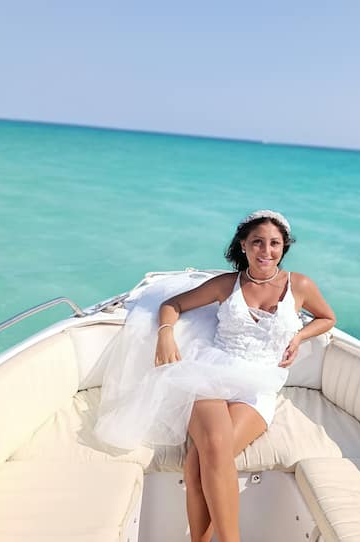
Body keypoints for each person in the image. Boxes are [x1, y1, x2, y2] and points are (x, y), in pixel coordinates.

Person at [95, 210, 336, 542]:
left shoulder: (300, 285)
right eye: (257, 242)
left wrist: (298, 337)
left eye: (274, 244)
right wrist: (166, 334)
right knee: (215, 445)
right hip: (210, 374)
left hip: (260, 386)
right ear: (243, 245)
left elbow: (326, 318)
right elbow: (172, 305)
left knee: (198, 464)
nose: (266, 251)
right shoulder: (227, 284)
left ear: (284, 247)